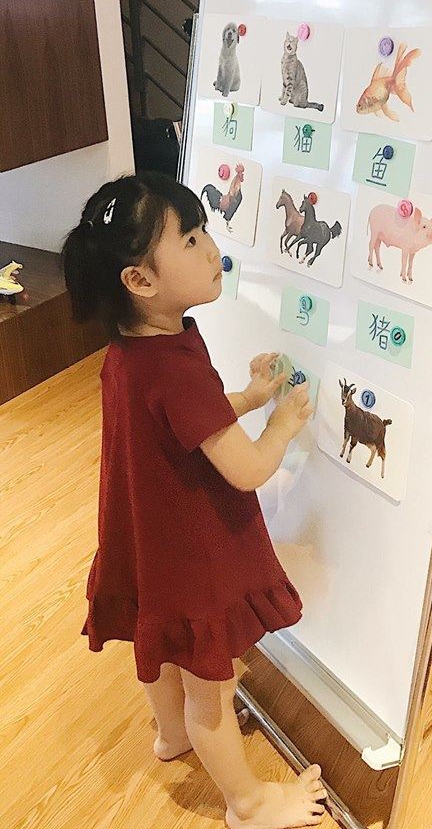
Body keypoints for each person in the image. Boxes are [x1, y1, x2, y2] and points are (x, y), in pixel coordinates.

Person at [62, 172, 328, 828]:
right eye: (189, 239)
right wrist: (280, 425)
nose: (212, 248)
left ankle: (171, 734)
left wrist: (248, 397)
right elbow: (245, 469)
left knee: (162, 649)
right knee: (212, 688)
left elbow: (189, 419)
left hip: (146, 541)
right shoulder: (175, 366)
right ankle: (248, 803)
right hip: (191, 553)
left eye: (203, 230)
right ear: (140, 281)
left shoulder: (133, 351)